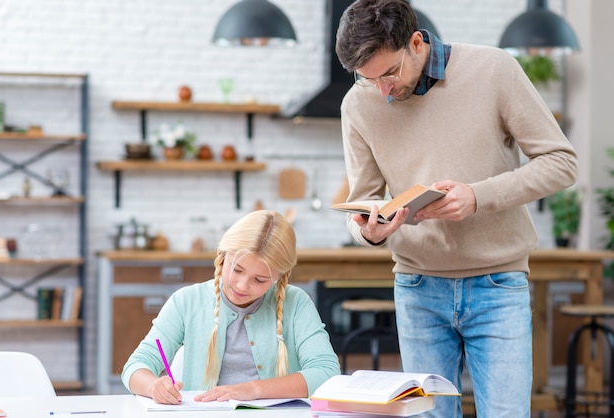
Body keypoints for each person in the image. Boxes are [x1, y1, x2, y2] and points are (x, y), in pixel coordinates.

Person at [334, 1, 578, 417]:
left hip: (498, 287)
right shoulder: (358, 105)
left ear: (416, 42)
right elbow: (364, 200)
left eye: (389, 73)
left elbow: (561, 162)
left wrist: (478, 196)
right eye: (366, 78)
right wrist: (369, 231)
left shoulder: (494, 70)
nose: (382, 91)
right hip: (417, 289)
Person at [122, 210, 340, 405]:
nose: (242, 286)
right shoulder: (186, 301)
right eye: (237, 270)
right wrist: (153, 387)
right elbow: (136, 365)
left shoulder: (296, 303)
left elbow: (327, 372)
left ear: (279, 276)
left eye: (260, 280)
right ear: (223, 257)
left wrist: (253, 390)